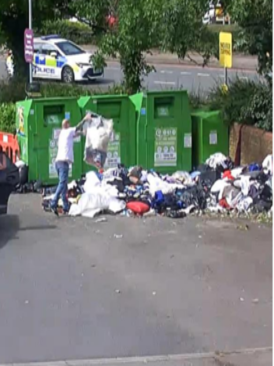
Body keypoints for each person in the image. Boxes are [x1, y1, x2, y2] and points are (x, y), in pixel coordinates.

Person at [50, 113, 91, 216]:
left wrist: (82, 133)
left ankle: (65, 206)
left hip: (59, 162)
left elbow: (75, 133)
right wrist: (85, 119)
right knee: (62, 183)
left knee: (63, 186)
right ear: (67, 125)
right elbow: (77, 128)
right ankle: (53, 202)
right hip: (63, 162)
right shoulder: (67, 131)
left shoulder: (63, 134)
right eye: (69, 124)